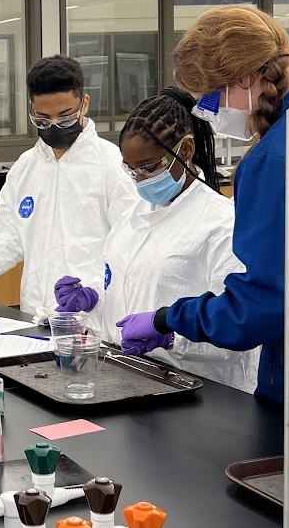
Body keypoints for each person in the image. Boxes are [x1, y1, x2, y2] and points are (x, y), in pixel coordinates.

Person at [116, 7, 289, 423]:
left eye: (209, 100)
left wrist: (167, 318)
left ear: (244, 79)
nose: (208, 115)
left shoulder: (277, 157)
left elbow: (261, 306)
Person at [66, 88, 259, 393]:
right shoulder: (133, 216)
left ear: (185, 150)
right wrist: (92, 300)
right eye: (131, 170)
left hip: (205, 392)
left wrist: (171, 335)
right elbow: (128, 298)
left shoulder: (222, 223)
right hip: (137, 378)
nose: (141, 179)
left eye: (150, 167)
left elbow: (241, 327)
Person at [0, 55, 136, 318]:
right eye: (42, 119)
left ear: (84, 104)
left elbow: (129, 245)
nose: (53, 126)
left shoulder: (113, 166)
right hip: (35, 313)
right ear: (31, 108)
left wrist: (93, 290)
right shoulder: (26, 168)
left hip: (93, 316)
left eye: (64, 118)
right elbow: (10, 236)